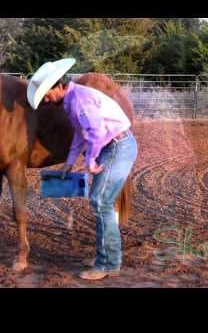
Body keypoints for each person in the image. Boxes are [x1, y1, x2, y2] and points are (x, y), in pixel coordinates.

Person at [27, 58, 138, 280]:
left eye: (47, 94)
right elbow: (80, 133)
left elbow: (96, 133)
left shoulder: (80, 99)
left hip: (117, 146)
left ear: (59, 86)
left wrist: (91, 160)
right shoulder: (72, 100)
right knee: (100, 202)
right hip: (114, 145)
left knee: (101, 201)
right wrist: (69, 162)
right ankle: (107, 259)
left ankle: (106, 264)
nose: (46, 100)